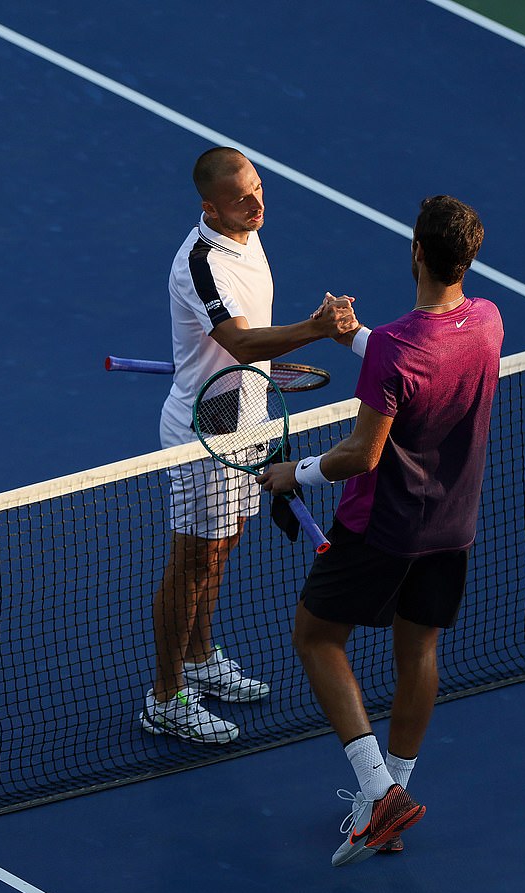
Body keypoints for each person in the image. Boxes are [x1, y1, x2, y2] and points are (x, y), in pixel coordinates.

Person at [257, 195, 504, 866]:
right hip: (453, 526)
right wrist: (358, 337)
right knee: (418, 651)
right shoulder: (487, 321)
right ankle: (392, 797)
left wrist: (295, 473)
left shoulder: (396, 351)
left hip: (383, 526)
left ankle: (375, 789)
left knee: (316, 636)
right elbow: (422, 363)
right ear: (468, 257)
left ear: (417, 252)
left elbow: (361, 455)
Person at [140, 146, 357, 745]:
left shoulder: (247, 233)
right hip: (205, 432)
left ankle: (200, 657)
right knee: (192, 561)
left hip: (248, 420)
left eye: (259, 188)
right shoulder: (201, 263)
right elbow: (238, 341)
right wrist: (315, 329)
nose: (258, 202)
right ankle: (165, 697)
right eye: (242, 197)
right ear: (211, 206)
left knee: (223, 544)